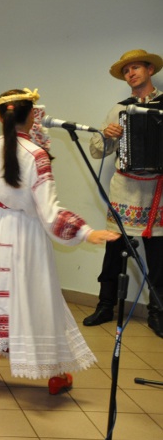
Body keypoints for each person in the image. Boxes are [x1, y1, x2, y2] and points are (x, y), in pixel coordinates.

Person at [0, 89, 119, 399]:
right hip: (25, 235)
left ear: (1, 118)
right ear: (32, 116)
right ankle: (55, 373)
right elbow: (50, 213)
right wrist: (85, 232)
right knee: (36, 297)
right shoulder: (36, 156)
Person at [84, 49, 163, 336]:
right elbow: (96, 150)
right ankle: (105, 306)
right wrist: (106, 134)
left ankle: (158, 312)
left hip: (157, 191)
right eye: (126, 70)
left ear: (150, 70)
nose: (131, 73)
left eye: (136, 68)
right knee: (114, 250)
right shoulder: (119, 108)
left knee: (159, 255)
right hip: (125, 190)